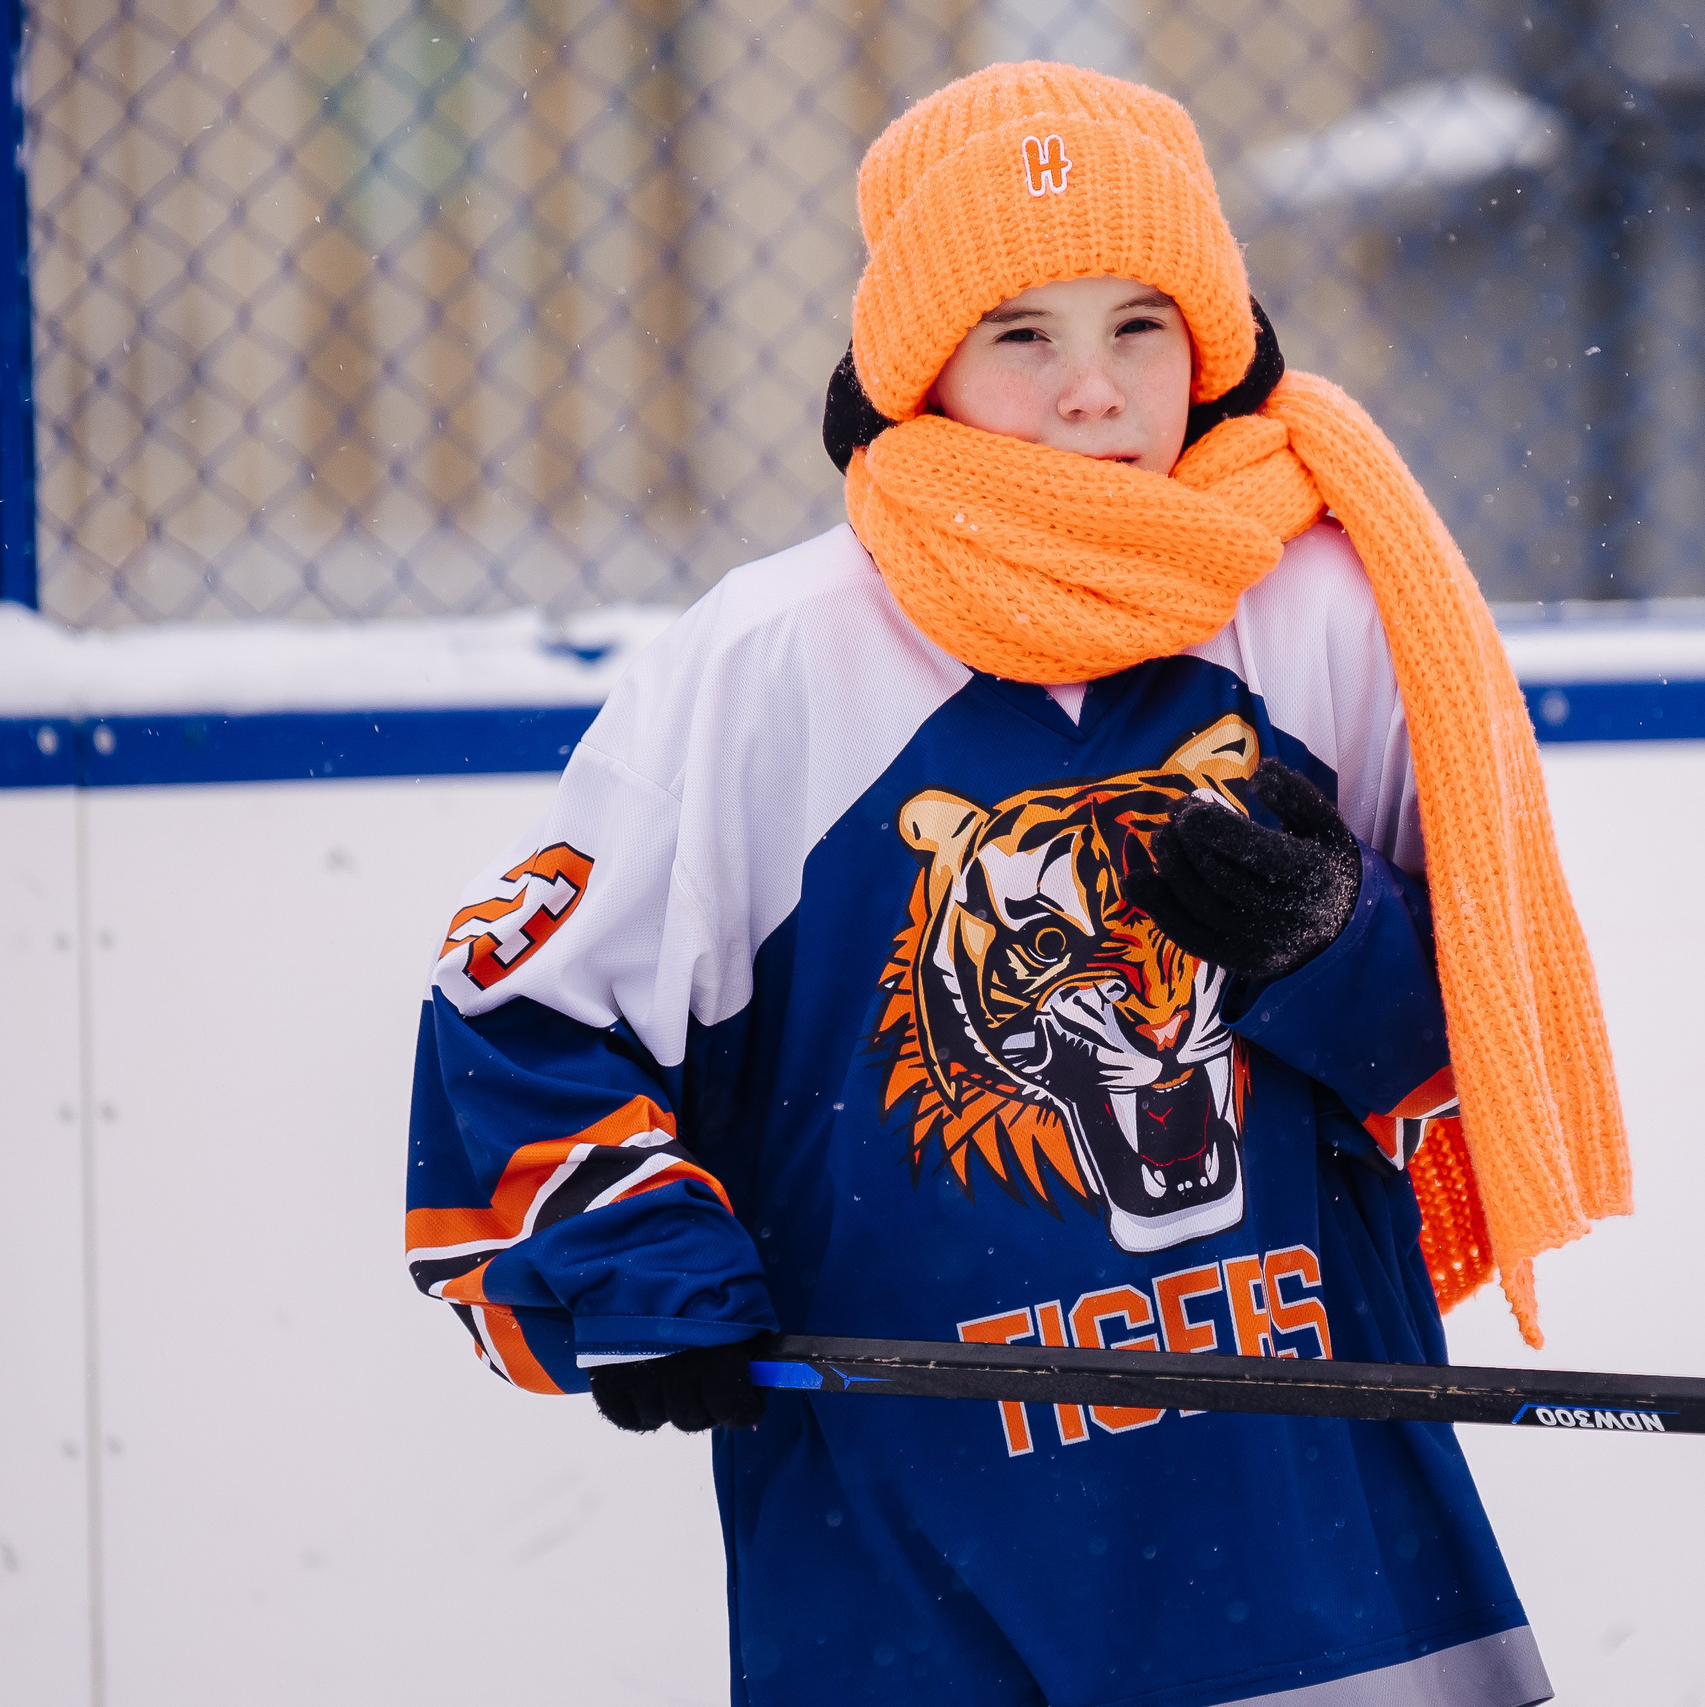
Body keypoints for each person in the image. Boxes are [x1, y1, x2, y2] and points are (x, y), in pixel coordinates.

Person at [404, 60, 1629, 1706]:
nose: (1093, 391)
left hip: (1311, 1539)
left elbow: (1482, 1054)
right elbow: (516, 1014)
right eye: (1023, 334)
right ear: (925, 369)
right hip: (914, 1556)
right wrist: (640, 1267)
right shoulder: (773, 660)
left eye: (1139, 325)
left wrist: (1335, 944)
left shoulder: (1328, 610)